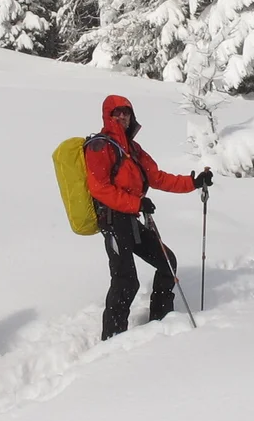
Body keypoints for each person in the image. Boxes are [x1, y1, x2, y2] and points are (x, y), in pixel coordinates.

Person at [84, 95, 212, 340]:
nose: (123, 116)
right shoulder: (100, 146)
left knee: (167, 263)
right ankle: (112, 339)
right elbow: (99, 188)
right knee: (125, 281)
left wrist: (193, 183)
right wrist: (136, 203)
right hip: (113, 221)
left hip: (130, 220)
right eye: (117, 112)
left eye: (126, 112)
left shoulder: (133, 149)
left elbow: (157, 177)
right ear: (108, 116)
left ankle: (161, 322)